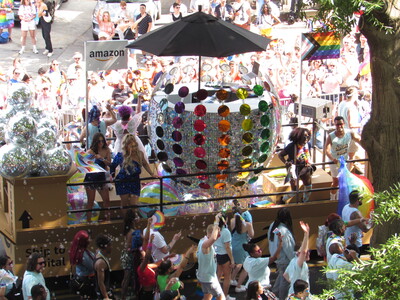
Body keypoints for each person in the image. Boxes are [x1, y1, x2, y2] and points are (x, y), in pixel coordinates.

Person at [110, 134, 157, 209]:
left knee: (134, 204)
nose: (134, 148)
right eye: (131, 146)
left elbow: (145, 164)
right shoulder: (121, 155)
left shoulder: (140, 154)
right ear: (126, 146)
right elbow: (112, 166)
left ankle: (133, 219)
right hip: (123, 181)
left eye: (135, 146)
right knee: (124, 204)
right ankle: (126, 220)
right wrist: (111, 177)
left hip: (135, 181)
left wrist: (152, 174)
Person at [324, 116, 361, 200]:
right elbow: (327, 151)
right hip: (334, 162)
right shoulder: (331, 136)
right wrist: (333, 159)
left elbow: (359, 140)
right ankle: (332, 198)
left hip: (345, 160)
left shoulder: (349, 133)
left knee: (345, 180)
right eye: (337, 125)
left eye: (341, 124)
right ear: (335, 125)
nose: (339, 126)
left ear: (344, 124)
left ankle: (343, 198)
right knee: (336, 181)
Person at [278, 127, 315, 203]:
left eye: (308, 136)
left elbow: (309, 155)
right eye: (304, 137)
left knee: (308, 187)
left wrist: (309, 162)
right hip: (293, 169)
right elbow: (280, 155)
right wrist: (286, 163)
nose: (306, 139)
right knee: (294, 190)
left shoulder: (308, 144)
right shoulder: (291, 146)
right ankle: (283, 199)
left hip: (304, 168)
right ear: (298, 137)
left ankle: (304, 202)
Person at [267, 207, 295, 300]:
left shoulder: (274, 226)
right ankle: (282, 298)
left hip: (277, 257)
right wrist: (294, 259)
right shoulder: (284, 231)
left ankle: (273, 295)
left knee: (280, 277)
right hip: (284, 259)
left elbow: (272, 240)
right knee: (285, 281)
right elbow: (288, 248)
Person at [197, 213, 226, 300]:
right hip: (209, 279)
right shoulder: (205, 244)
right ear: (210, 233)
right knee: (221, 298)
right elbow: (213, 238)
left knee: (207, 297)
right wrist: (216, 221)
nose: (218, 237)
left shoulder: (202, 241)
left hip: (205, 277)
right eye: (218, 234)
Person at [84, 132, 112, 222]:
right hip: (91, 178)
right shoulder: (90, 151)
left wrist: (102, 159)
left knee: (107, 200)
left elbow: (109, 164)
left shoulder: (107, 150)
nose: (101, 143)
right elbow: (85, 164)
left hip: (101, 177)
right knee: (91, 201)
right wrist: (93, 158)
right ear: (95, 142)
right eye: (99, 141)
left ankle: (107, 220)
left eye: (102, 141)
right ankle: (89, 221)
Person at [229, 207, 254, 293]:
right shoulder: (248, 224)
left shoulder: (232, 221)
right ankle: (238, 286)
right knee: (246, 267)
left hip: (234, 245)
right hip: (243, 247)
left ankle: (232, 279)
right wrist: (250, 224)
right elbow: (252, 235)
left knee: (238, 264)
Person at [283, 222, 311, 298]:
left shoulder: (292, 261)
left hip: (293, 293)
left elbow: (285, 275)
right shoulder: (298, 263)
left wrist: (294, 281)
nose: (308, 253)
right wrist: (306, 234)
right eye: (306, 252)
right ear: (298, 253)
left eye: (309, 251)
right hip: (300, 295)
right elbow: (303, 252)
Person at [68, 230, 96, 299]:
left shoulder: (78, 252)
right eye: (88, 238)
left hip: (82, 280)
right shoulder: (83, 254)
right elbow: (92, 267)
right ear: (84, 242)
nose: (90, 240)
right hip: (88, 281)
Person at [214, 214, 235, 300]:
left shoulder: (214, 229)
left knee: (218, 276)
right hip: (224, 255)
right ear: (224, 220)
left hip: (217, 254)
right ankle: (225, 296)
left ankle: (216, 295)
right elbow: (227, 247)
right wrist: (232, 260)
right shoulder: (226, 231)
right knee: (227, 277)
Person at [120, 209, 140, 300]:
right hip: (129, 255)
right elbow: (129, 246)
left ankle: (124, 296)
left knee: (127, 277)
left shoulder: (128, 229)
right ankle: (123, 297)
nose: (138, 218)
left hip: (125, 254)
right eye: (136, 216)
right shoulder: (132, 231)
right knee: (127, 277)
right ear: (133, 220)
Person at [94, 234, 113, 300]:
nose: (111, 247)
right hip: (103, 293)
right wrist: (106, 297)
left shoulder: (98, 252)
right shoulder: (101, 263)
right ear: (106, 246)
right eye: (110, 245)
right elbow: (101, 282)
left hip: (105, 290)